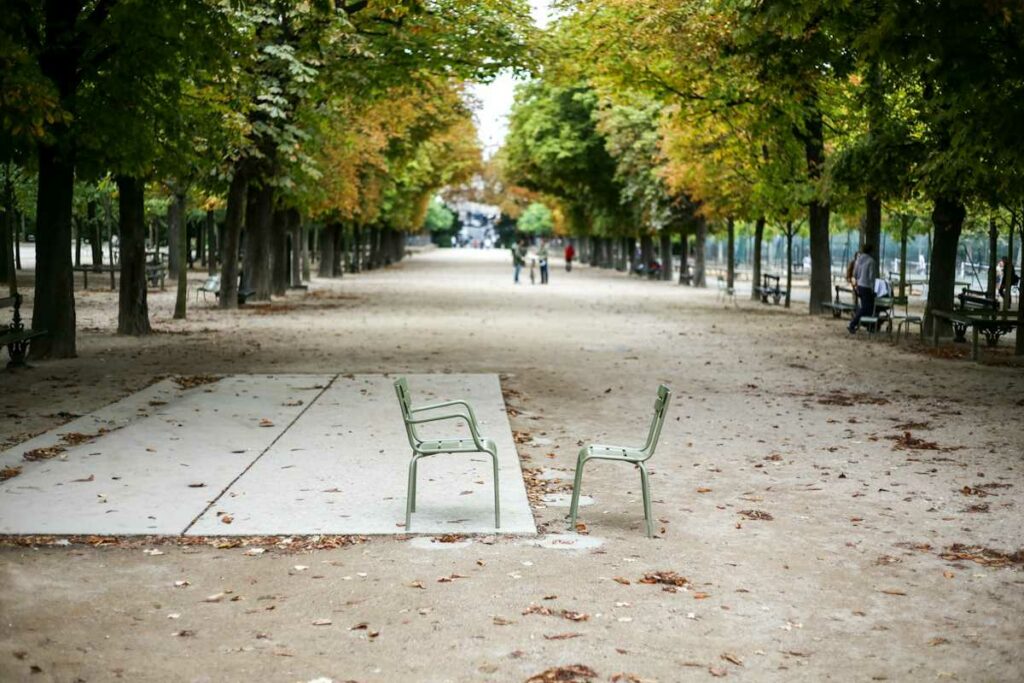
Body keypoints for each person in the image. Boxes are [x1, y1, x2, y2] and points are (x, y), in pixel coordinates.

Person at [849, 244, 878, 334]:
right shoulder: (871, 261)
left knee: (867, 307)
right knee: (866, 308)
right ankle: (853, 324)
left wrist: (858, 282)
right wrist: (873, 289)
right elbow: (871, 277)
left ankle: (869, 325)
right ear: (871, 251)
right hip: (867, 287)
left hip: (860, 286)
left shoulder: (858, 260)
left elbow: (855, 273)